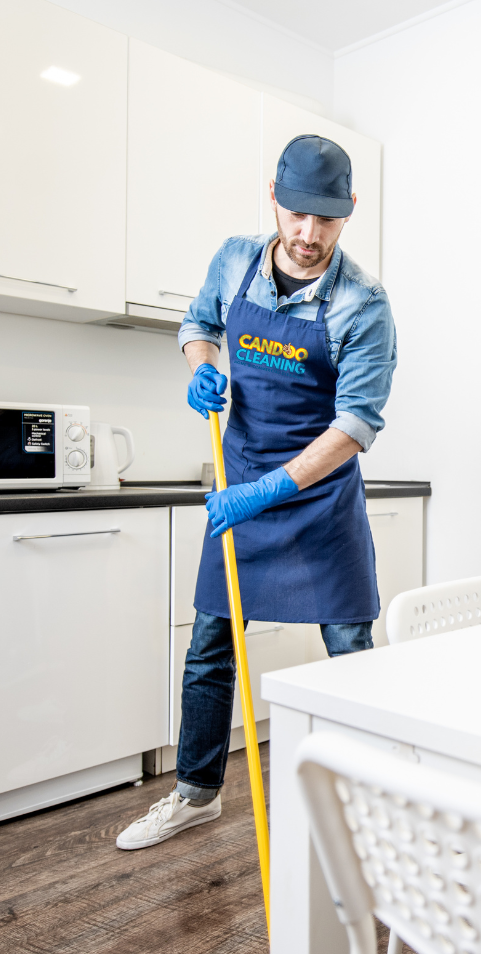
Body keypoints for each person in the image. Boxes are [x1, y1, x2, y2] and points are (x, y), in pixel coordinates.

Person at [116, 134, 396, 850]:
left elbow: (356, 426)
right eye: (297, 214)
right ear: (273, 197)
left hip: (317, 497)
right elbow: (198, 324)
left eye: (326, 219)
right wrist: (201, 366)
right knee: (211, 643)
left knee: (351, 651)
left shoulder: (364, 303)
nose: (308, 235)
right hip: (241, 477)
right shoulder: (235, 258)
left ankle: (374, 803)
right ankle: (196, 793)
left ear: (350, 211)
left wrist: (269, 490)